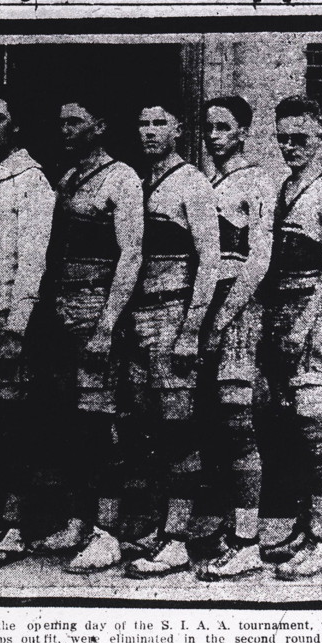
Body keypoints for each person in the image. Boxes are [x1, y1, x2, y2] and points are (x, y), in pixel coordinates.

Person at [32, 95, 143, 573]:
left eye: (75, 121)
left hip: (98, 308)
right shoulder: (66, 177)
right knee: (73, 424)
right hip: (62, 309)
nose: (66, 130)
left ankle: (109, 531)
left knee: (100, 424)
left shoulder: (122, 178)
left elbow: (131, 255)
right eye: (61, 122)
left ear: (100, 124)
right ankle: (80, 520)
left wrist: (106, 326)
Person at [124, 101, 220, 579]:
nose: (149, 130)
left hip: (173, 311)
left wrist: (190, 328)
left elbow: (210, 259)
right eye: (143, 122)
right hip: (137, 316)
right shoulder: (136, 182)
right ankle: (160, 526)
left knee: (179, 429)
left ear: (179, 129)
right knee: (149, 428)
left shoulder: (191, 182)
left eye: (159, 121)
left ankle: (180, 538)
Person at [0, 92, 55, 570]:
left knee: (14, 421)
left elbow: (33, 257)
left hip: (7, 313)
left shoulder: (31, 180)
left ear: (15, 126)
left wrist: (18, 323)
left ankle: (17, 525)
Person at [260, 95, 322, 580]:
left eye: (300, 138)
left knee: (316, 428)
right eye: (283, 138)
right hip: (281, 310)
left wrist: (302, 323)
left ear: (321, 138)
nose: (291, 146)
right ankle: (302, 526)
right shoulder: (284, 187)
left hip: (312, 316)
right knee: (293, 427)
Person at [192, 96, 275, 581]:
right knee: (215, 424)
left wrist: (224, 317)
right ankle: (227, 528)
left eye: (224, 127)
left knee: (239, 422)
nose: (214, 135)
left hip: (237, 310)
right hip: (202, 307)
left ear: (243, 132)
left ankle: (247, 541)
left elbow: (258, 261)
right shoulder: (205, 180)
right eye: (208, 127)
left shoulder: (256, 180)